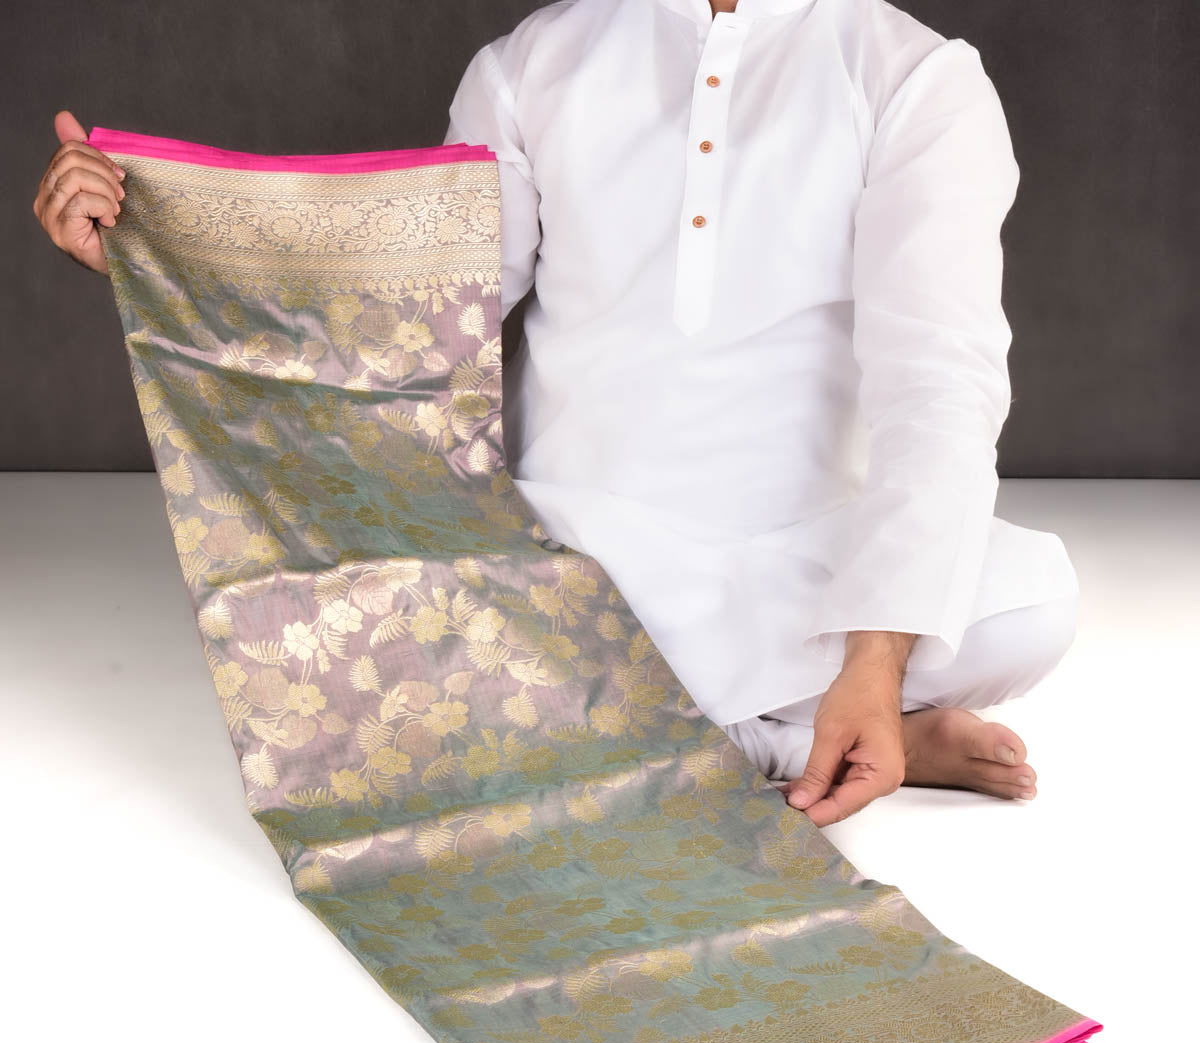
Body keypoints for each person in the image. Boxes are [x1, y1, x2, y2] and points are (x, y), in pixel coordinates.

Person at [33, 0, 1081, 829]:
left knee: (1031, 606)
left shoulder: (913, 76)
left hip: (809, 570)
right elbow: (408, 328)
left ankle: (730, 718)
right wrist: (147, 253)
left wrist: (874, 657)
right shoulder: (535, 62)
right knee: (396, 614)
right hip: (572, 556)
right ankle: (788, 740)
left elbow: (938, 381)